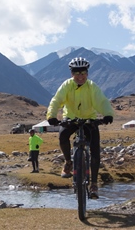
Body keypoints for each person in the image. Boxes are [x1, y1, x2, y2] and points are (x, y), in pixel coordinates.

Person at [46, 57, 114, 199]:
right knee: (62, 136)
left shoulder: (92, 87)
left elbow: (101, 101)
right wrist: (52, 115)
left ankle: (94, 184)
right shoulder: (67, 85)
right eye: (77, 73)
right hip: (70, 118)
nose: (80, 76)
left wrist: (107, 114)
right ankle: (68, 162)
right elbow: (56, 100)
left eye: (83, 73)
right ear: (72, 74)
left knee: (95, 150)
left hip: (89, 119)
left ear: (87, 73)